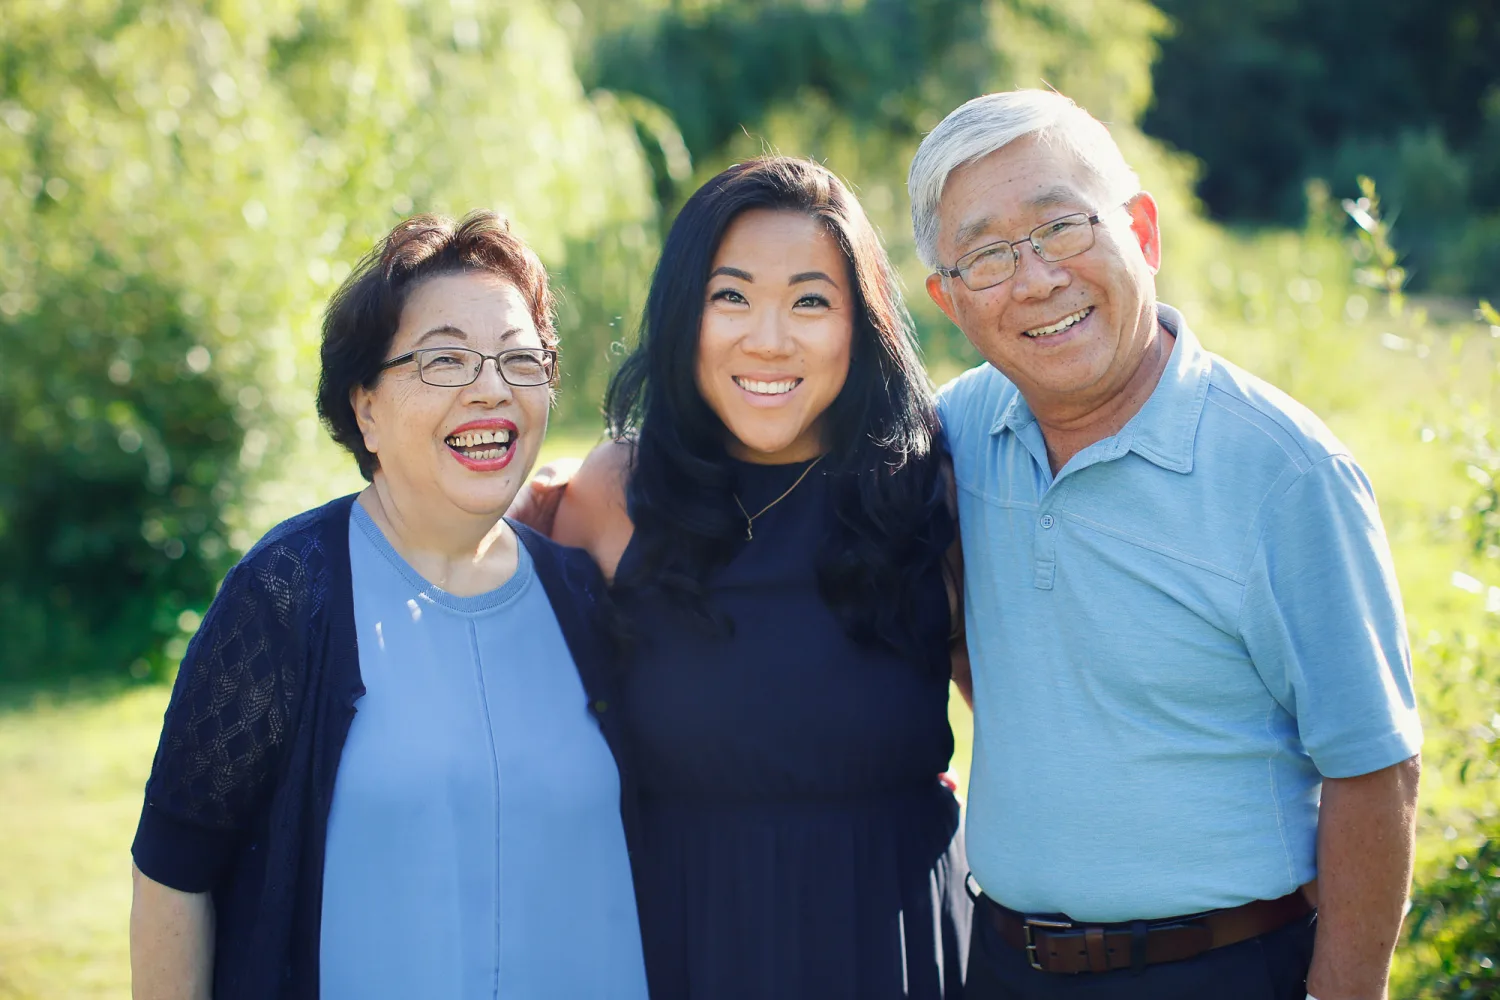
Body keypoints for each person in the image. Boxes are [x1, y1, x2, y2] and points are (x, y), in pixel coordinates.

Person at [908, 90, 1423, 999]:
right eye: (987, 255)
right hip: (1001, 964)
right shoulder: (953, 435)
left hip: (1220, 968)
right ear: (949, 300)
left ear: (1141, 232)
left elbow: (1375, 766)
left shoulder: (1286, 473)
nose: (1035, 281)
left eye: (1063, 227)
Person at [128, 212, 650, 1000]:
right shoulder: (287, 592)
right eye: (444, 360)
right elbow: (174, 869)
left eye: (520, 359)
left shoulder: (586, 596)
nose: (491, 389)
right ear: (365, 406)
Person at [547, 156, 971, 999]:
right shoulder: (611, 494)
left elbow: (1033, 727)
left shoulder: (925, 490)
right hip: (678, 942)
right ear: (681, 315)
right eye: (730, 296)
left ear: (864, 324)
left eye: (811, 301)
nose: (768, 339)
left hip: (891, 950)